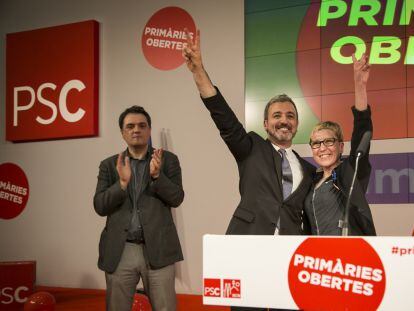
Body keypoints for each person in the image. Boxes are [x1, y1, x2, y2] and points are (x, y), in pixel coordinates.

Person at [183, 29, 314, 310]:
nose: (283, 120)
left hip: (289, 257)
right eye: (277, 115)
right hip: (247, 250)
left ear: (296, 124)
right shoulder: (251, 146)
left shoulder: (308, 169)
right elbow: (223, 116)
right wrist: (198, 72)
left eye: (290, 116)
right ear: (266, 124)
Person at [93, 106, 184, 311]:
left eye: (142, 125)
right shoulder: (109, 165)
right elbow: (100, 205)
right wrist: (121, 184)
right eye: (130, 126)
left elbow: (177, 198)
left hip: (159, 249)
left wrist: (157, 177)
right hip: (121, 249)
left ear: (149, 130)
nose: (136, 130)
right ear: (122, 132)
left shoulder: (168, 160)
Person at [303, 53, 376, 236]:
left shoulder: (351, 172)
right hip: (317, 259)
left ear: (341, 146)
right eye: (317, 143)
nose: (322, 148)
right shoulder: (311, 181)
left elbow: (361, 132)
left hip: (348, 259)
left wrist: (360, 85)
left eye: (329, 141)